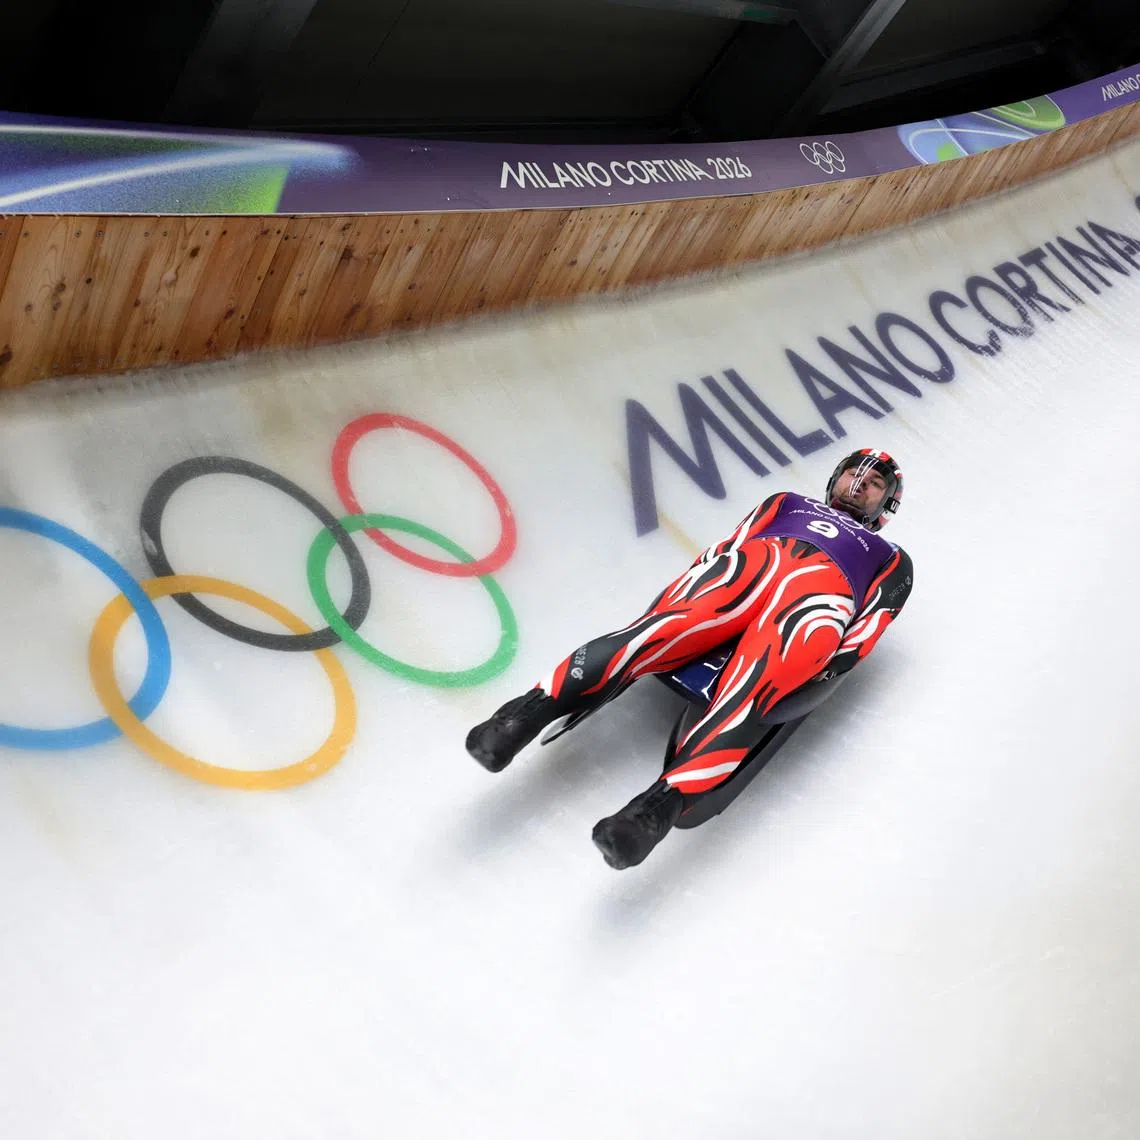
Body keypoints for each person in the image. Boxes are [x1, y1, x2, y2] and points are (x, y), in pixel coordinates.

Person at [466, 448, 914, 869]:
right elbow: (726, 547)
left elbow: (869, 624)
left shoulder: (893, 559)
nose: (860, 485)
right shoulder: (785, 502)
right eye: (855, 473)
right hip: (752, 566)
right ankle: (517, 719)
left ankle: (649, 815)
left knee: (752, 693)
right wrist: (676, 596)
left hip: (818, 601)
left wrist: (824, 672)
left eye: (874, 483)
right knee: (653, 633)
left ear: (886, 504)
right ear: (836, 476)